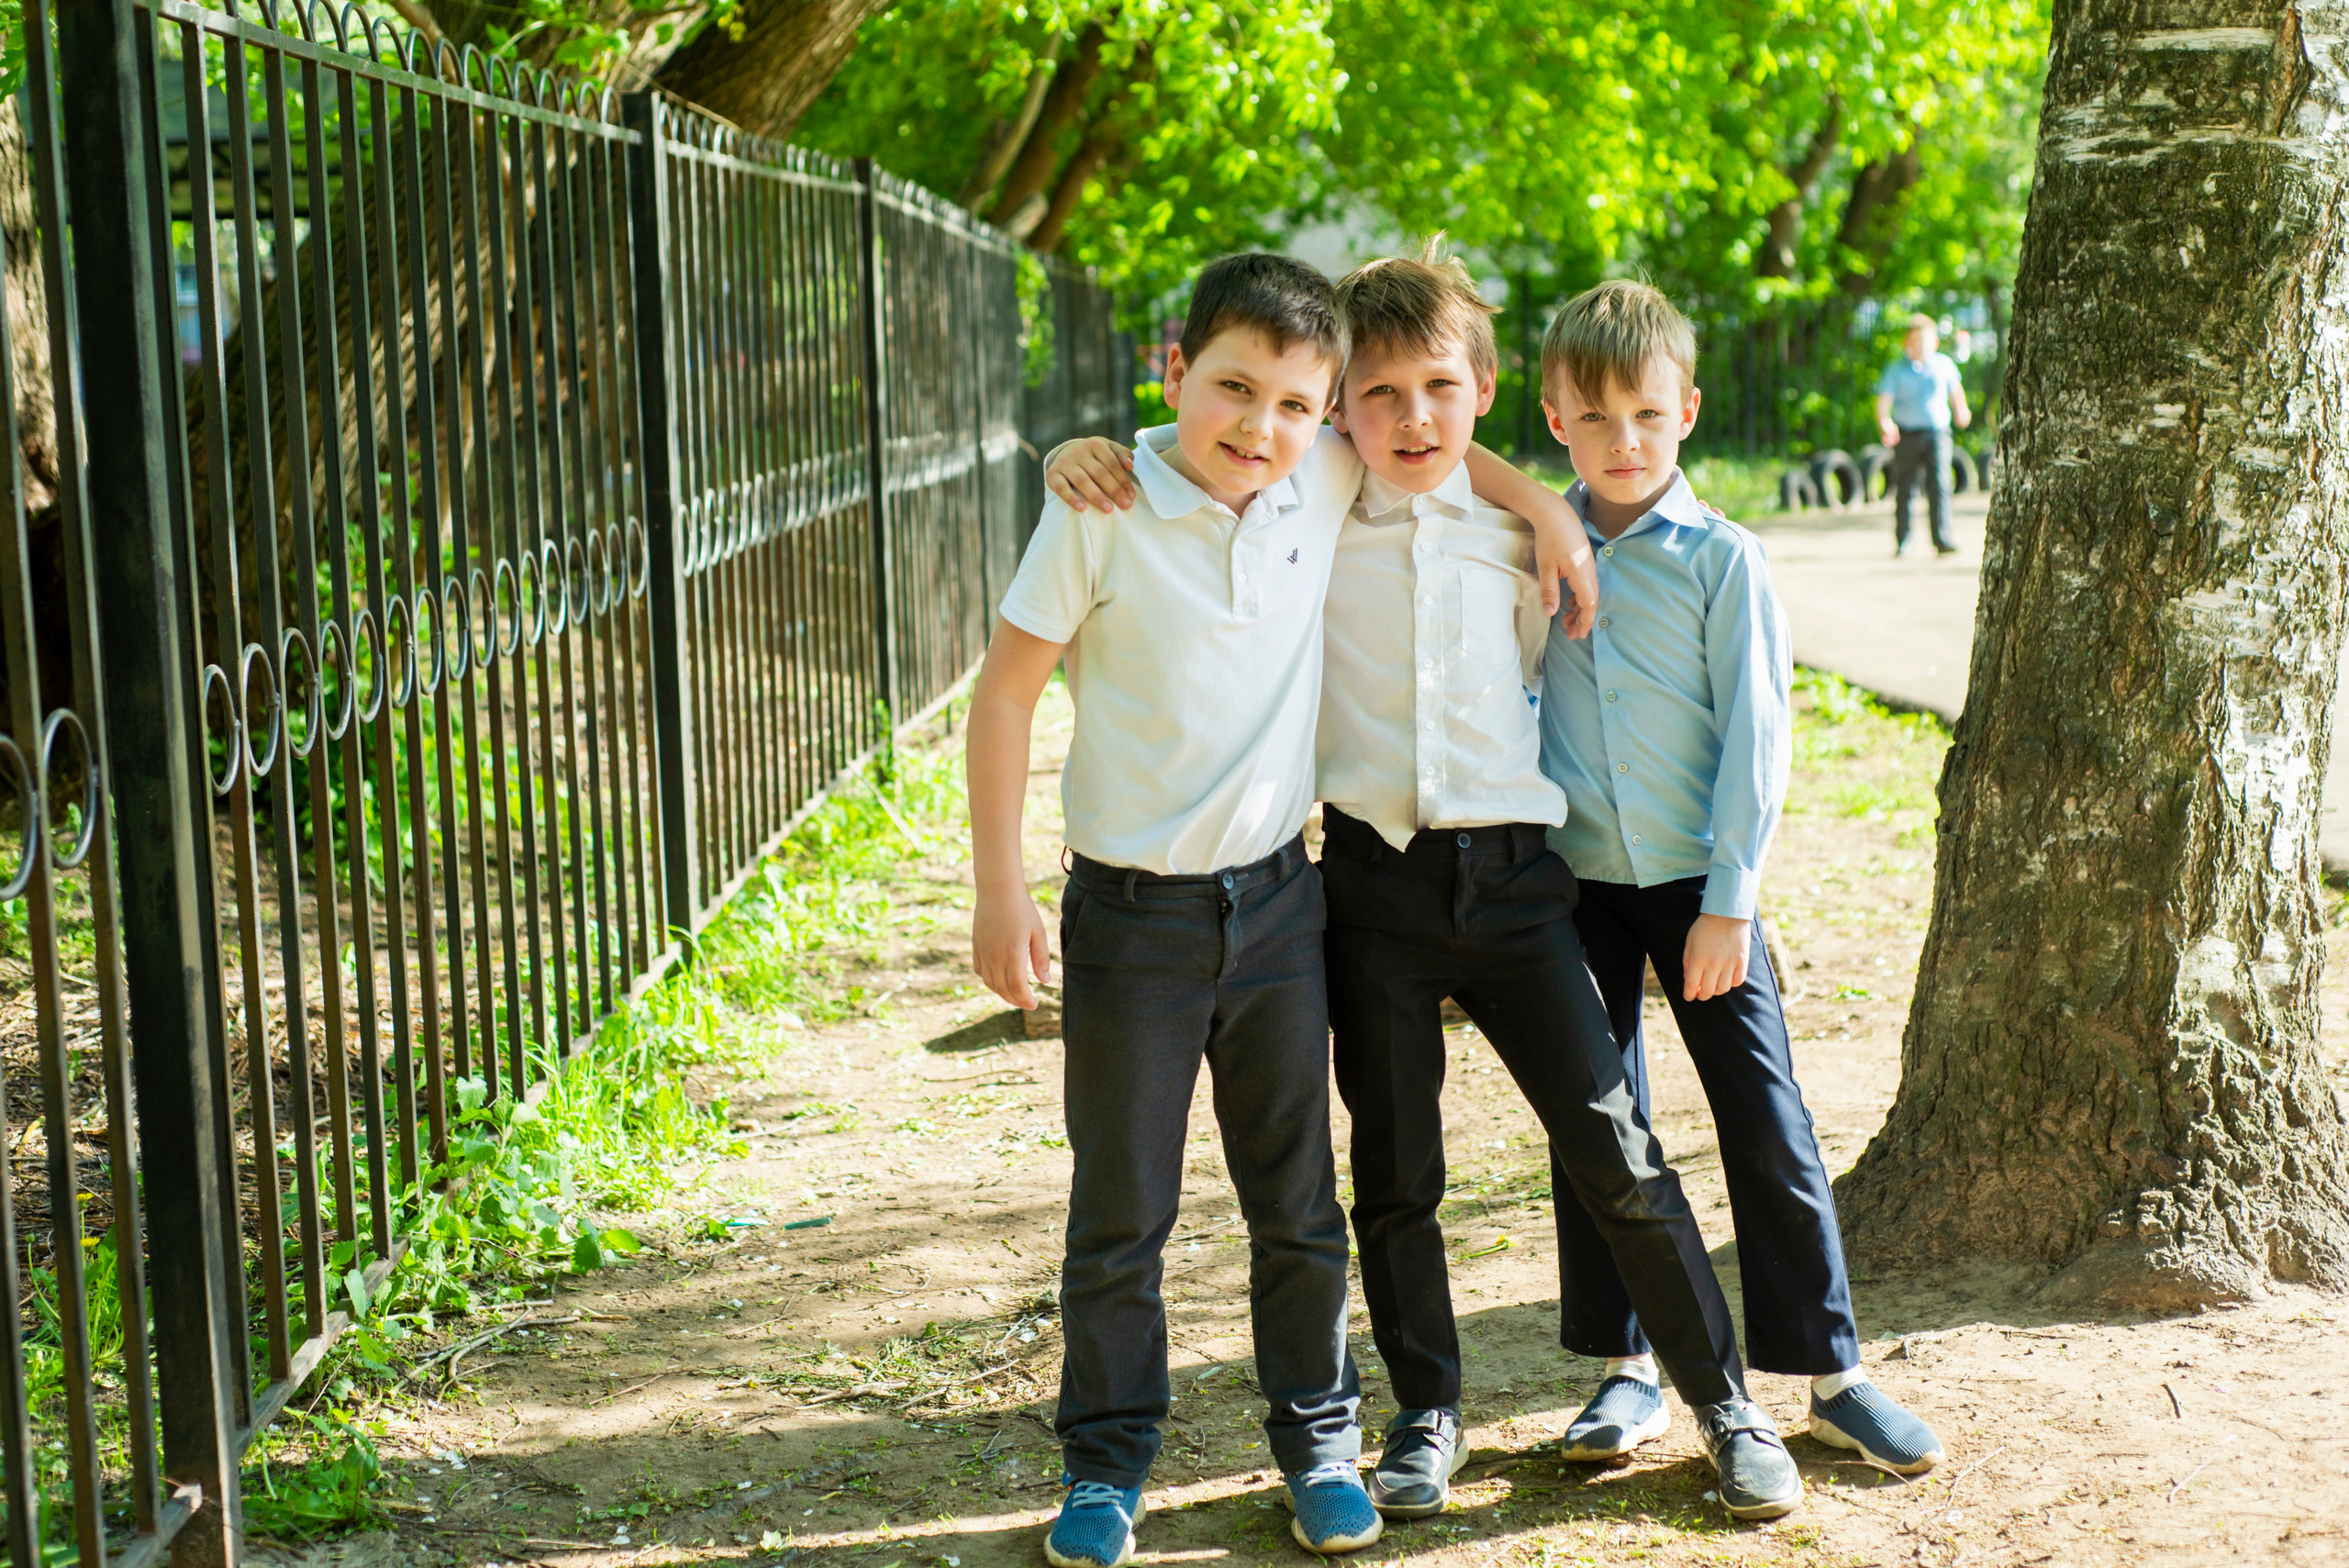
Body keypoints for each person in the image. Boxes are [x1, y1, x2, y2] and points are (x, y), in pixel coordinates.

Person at [1040, 243, 1809, 1526]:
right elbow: (1213, 439)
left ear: (1485, 395)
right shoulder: (1314, 500)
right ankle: (1426, 1411)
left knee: (1616, 1146)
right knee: (1396, 1174)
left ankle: (1727, 1402)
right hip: (1371, 894)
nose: (1412, 418)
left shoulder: (1520, 525)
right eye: (1379, 395)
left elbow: (1484, 457)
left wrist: (1550, 507)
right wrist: (1084, 447)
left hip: (1519, 887)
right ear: (1342, 408)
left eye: (1440, 390)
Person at [971, 252, 1587, 1568]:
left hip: (1277, 909)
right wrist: (998, 885)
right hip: (1128, 918)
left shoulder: (1317, 468)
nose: (1260, 426)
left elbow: (1435, 445)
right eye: (1232, 388)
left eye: (1297, 405)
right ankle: (1106, 1460)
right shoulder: (1106, 500)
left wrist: (1542, 495)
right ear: (1174, 366)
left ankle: (1317, 1437)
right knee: (1121, 1206)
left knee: (1297, 1202)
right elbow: (1007, 694)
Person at [1536, 281, 1947, 1481]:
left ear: (1689, 413)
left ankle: (1833, 1374)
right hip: (1574, 888)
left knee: (1765, 1120)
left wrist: (1731, 898)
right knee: (1602, 1129)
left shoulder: (1725, 560)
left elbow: (1757, 738)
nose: (1625, 442)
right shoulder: (1533, 546)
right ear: (1557, 414)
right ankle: (1625, 1371)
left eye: (1648, 417)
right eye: (1598, 417)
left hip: (1702, 892)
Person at [1873, 313, 1971, 557]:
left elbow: (1956, 393)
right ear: (1907, 342)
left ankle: (1942, 538)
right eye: (1914, 340)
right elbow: (1883, 403)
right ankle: (1904, 540)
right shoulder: (1896, 370)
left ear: (1934, 342)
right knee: (1905, 486)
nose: (1919, 345)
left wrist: (1962, 412)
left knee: (1940, 484)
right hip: (1906, 435)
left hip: (1938, 433)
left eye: (1924, 340)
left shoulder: (1945, 365)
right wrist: (1885, 423)